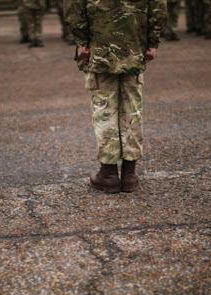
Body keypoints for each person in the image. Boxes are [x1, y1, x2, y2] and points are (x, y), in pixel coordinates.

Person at [65, 0, 167, 194]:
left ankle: (109, 174)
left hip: (99, 49)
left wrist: (82, 42)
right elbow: (158, 8)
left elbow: (73, 8)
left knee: (104, 110)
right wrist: (152, 43)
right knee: (132, 110)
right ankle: (129, 174)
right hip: (134, 48)